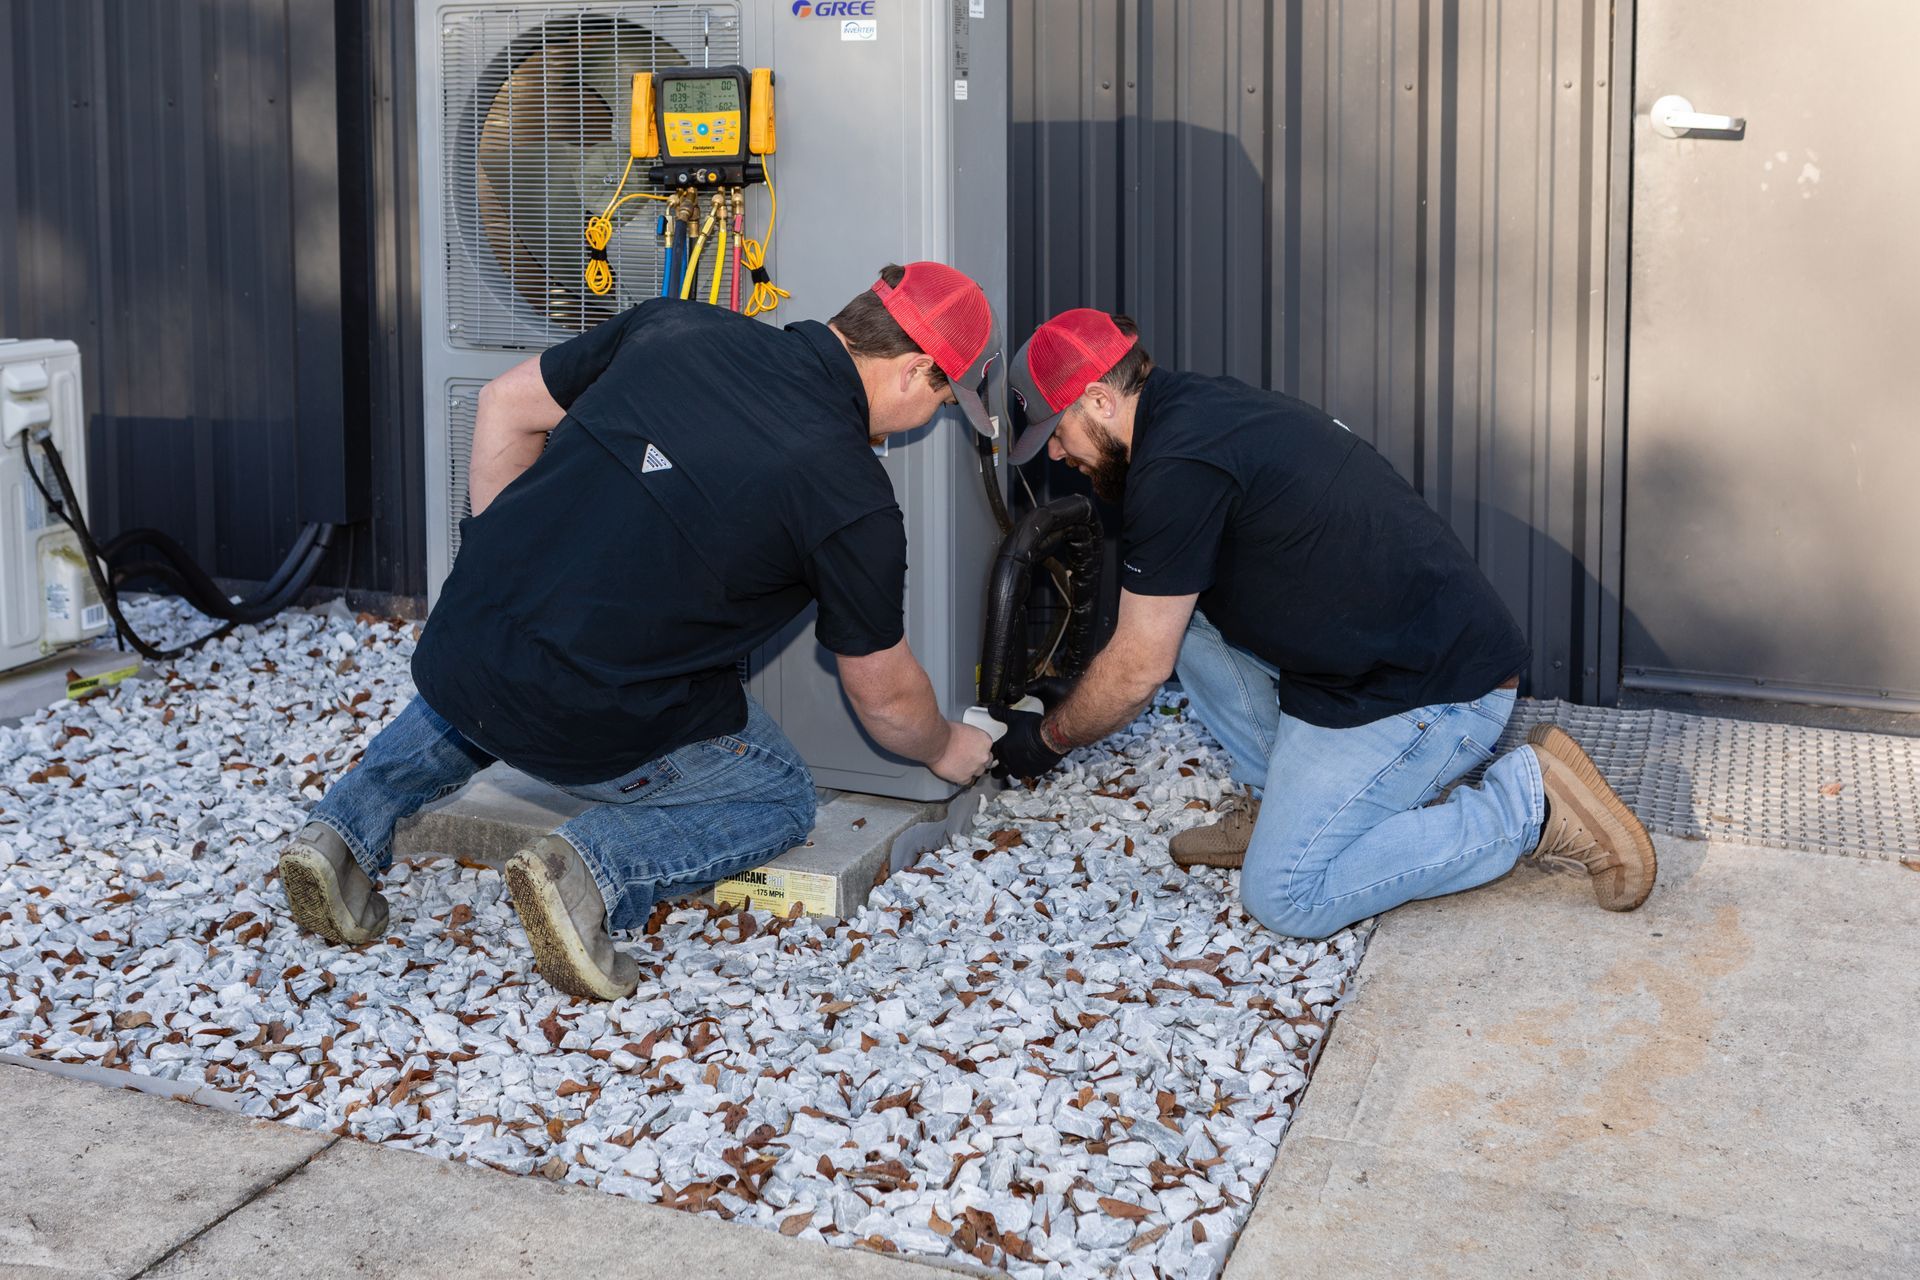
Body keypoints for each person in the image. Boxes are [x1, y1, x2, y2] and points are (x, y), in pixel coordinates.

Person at [278, 263, 1000, 999]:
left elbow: (504, 405)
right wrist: (944, 744)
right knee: (778, 793)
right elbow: (882, 697)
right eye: (946, 398)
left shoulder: (674, 324)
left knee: (497, 666)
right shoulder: (853, 499)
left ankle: (336, 835)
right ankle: (590, 869)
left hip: (466, 639)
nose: (935, 415)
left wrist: (500, 560)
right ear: (915, 371)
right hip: (591, 720)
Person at [989, 308, 1655, 939]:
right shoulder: (1190, 412)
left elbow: (1136, 668)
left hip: (1436, 693)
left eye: (1056, 432)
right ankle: (1282, 803)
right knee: (1178, 620)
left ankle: (1529, 804)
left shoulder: (1177, 468)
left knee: (1284, 895)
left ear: (1101, 400)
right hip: (1376, 657)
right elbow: (1154, 635)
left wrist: (1049, 738)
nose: (1054, 455)